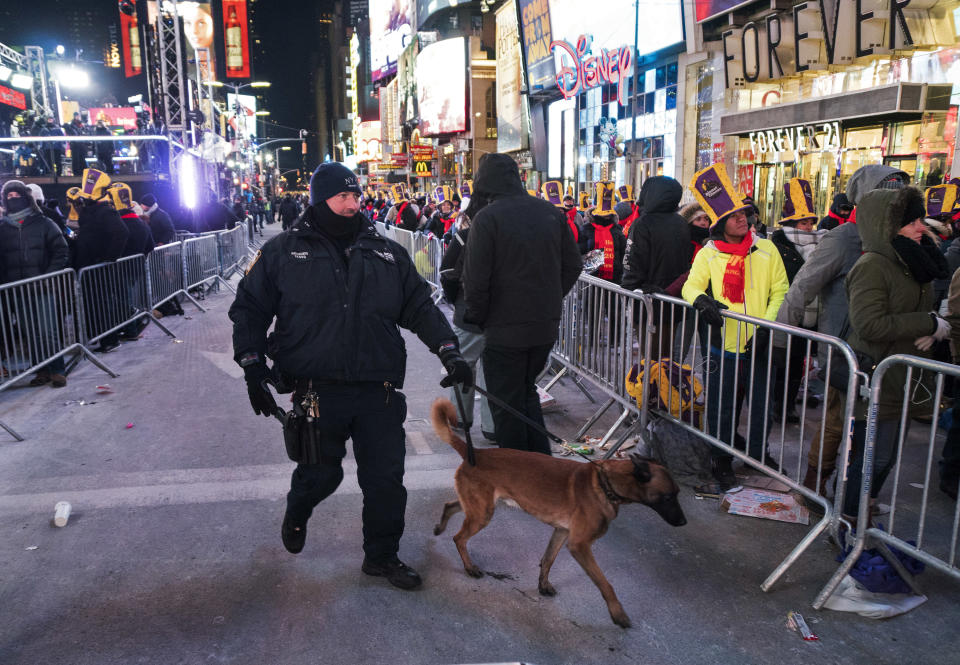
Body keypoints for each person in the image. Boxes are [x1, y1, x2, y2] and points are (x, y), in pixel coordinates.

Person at [229, 162, 471, 589]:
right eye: (342, 196)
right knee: (322, 474)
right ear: (320, 200)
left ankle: (381, 556)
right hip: (316, 390)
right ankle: (298, 507)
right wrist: (252, 366)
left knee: (385, 482)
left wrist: (448, 350)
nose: (351, 204)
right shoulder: (284, 252)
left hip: (377, 389)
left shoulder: (385, 251)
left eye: (355, 196)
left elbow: (419, 307)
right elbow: (248, 309)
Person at [775, 164, 909, 498]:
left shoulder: (903, 237)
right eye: (888, 192)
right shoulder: (843, 238)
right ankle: (814, 485)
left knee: (874, 426)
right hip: (845, 351)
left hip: (888, 350)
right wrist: (777, 338)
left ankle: (855, 496)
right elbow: (803, 287)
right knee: (838, 418)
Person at [842, 185, 950, 526]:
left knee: (886, 457)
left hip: (905, 374)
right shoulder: (873, 264)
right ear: (886, 226)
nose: (922, 228)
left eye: (920, 220)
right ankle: (849, 519)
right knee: (875, 456)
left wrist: (932, 330)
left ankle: (865, 506)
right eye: (912, 222)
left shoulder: (913, 260)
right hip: (878, 375)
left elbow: (916, 315)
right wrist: (928, 322)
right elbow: (870, 324)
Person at [462, 153, 582, 455]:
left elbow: (476, 279)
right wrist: (552, 297)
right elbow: (573, 266)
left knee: (506, 404)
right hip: (544, 324)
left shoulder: (487, 219)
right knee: (527, 394)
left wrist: (478, 317)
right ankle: (540, 467)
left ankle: (522, 477)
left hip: (504, 327)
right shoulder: (550, 213)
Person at [682, 163, 789, 492]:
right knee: (722, 405)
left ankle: (757, 455)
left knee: (760, 404)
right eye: (735, 215)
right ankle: (720, 459)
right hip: (723, 344)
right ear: (720, 223)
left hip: (760, 342)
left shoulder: (767, 249)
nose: (743, 218)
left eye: (745, 213)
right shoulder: (709, 254)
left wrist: (764, 327)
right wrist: (702, 300)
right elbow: (690, 286)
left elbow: (781, 290)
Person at [0, 181, 70, 387]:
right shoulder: (2, 228)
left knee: (47, 331)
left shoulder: (44, 223)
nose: (14, 199)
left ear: (26, 197)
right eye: (9, 196)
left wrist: (47, 276)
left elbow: (61, 250)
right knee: (30, 332)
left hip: (42, 287)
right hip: (16, 290)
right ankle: (41, 370)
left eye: (17, 195)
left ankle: (57, 369)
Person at [768, 178, 826, 423]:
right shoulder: (777, 245)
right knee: (780, 363)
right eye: (804, 222)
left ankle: (788, 405)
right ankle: (774, 405)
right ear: (792, 223)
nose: (809, 227)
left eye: (811, 222)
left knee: (796, 365)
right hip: (785, 311)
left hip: (810, 316)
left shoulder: (822, 245)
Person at [438, 199, 495, 440]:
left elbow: (446, 273)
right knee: (493, 371)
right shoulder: (506, 237)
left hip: (468, 311)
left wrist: (456, 300)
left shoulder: (463, 237)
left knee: (463, 364)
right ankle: (492, 428)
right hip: (499, 314)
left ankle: (459, 418)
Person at [73, 169, 130, 353]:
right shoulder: (93, 212)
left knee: (101, 305)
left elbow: (122, 233)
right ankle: (101, 338)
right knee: (94, 304)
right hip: (91, 266)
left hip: (98, 267)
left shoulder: (105, 212)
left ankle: (108, 338)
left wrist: (108, 258)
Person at [578, 182, 626, 284]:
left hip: (614, 281)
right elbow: (578, 251)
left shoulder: (617, 229)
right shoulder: (586, 229)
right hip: (591, 280)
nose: (606, 216)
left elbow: (623, 253)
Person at [64, 112, 88, 177]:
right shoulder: (71, 125)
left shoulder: (81, 125)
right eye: (76, 116)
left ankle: (83, 172)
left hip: (81, 144)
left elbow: (85, 133)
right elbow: (71, 133)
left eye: (78, 116)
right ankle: (77, 173)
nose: (77, 117)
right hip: (75, 144)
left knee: (82, 159)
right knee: (76, 159)